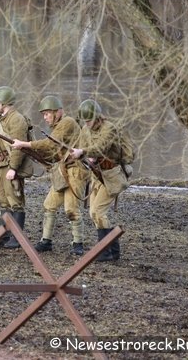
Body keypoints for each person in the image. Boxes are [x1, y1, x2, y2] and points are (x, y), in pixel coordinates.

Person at [11, 95, 87, 255]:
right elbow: (52, 151)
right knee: (49, 205)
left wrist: (24, 144)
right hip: (63, 170)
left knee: (71, 209)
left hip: (75, 171)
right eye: (43, 114)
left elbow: (50, 143)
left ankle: (77, 244)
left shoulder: (67, 123)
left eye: (47, 113)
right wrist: (33, 152)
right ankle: (46, 241)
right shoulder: (58, 126)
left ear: (57, 112)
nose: (45, 117)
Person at [70, 99, 130, 261]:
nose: (87, 123)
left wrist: (82, 151)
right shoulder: (85, 129)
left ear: (97, 117)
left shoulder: (109, 129)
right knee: (93, 213)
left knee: (98, 211)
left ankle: (105, 252)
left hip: (111, 175)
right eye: (85, 121)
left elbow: (100, 148)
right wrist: (81, 156)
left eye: (89, 120)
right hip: (97, 174)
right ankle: (112, 251)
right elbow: (86, 152)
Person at [0, 86, 34, 248]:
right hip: (0, 164)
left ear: (5, 103)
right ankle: (5, 234)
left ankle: (16, 237)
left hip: (11, 165)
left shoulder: (17, 120)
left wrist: (13, 168)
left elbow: (18, 147)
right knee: (2, 200)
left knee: (15, 201)